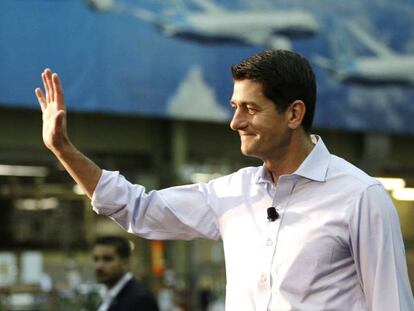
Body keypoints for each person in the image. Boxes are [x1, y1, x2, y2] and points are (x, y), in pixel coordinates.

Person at [35, 49, 414, 310]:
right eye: (235, 107)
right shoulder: (232, 194)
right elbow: (138, 209)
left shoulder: (361, 196)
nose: (235, 122)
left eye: (250, 108)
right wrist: (63, 149)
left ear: (294, 114)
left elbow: (391, 303)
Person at [92, 235, 159, 311]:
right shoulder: (108, 296)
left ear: (125, 262)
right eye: (96, 259)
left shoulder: (140, 299)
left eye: (107, 259)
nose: (99, 266)